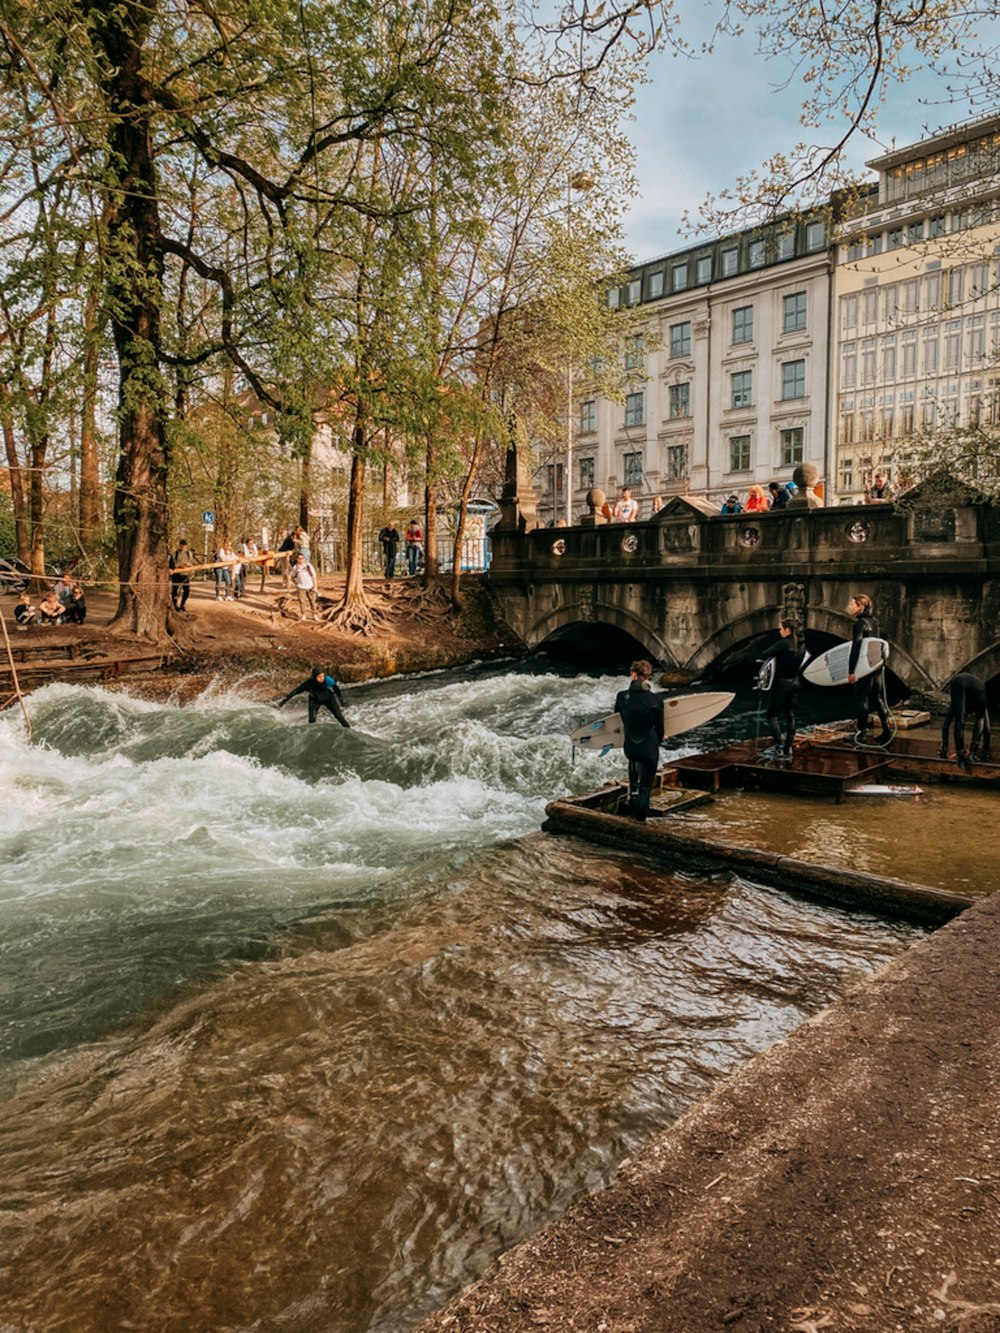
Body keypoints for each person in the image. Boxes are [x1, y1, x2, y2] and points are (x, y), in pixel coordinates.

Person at [614, 658, 665, 821]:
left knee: (634, 761)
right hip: (649, 748)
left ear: (633, 675)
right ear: (648, 678)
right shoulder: (657, 700)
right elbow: (660, 730)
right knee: (646, 787)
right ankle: (639, 820)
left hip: (630, 748)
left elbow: (617, 716)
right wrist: (660, 740)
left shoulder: (622, 697)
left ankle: (632, 794)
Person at [758, 618, 806, 760]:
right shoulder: (802, 644)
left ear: (788, 630)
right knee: (790, 715)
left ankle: (778, 747)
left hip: (782, 684)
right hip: (795, 683)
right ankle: (788, 747)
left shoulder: (783, 644)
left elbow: (765, 654)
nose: (780, 631)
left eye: (781, 628)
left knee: (772, 715)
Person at [847, 593, 891, 744]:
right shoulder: (876, 622)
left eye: (852, 604)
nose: (849, 607)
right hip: (876, 665)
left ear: (860, 607)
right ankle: (887, 730)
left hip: (864, 666)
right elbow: (884, 642)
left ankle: (861, 734)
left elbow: (856, 648)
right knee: (877, 698)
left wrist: (851, 671)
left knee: (862, 698)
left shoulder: (860, 624)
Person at [939, 672, 991, 769]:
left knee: (959, 719)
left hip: (955, 681)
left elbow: (946, 725)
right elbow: (984, 727)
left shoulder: (977, 698)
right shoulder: (981, 696)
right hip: (962, 683)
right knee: (961, 720)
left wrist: (944, 748)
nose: (970, 715)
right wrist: (973, 752)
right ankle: (963, 756)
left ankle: (957, 753)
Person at [277, 667, 350, 727]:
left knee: (339, 717)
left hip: (328, 698)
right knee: (311, 721)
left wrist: (341, 700)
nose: (321, 678)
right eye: (319, 677)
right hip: (314, 700)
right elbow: (296, 691)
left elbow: (336, 689)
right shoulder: (309, 683)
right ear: (314, 677)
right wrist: (284, 700)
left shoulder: (328, 680)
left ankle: (348, 729)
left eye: (322, 676)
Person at [290, 551, 320, 619]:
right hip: (301, 587)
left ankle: (314, 615)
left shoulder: (308, 566)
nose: (300, 560)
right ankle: (303, 615)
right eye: (299, 558)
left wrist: (315, 586)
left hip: (310, 587)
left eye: (302, 558)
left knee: (312, 601)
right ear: (297, 559)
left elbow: (314, 576)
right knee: (302, 601)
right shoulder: (295, 567)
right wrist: (296, 584)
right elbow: (292, 577)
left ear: (304, 559)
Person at [171, 539, 194, 612]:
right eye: (181, 546)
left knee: (187, 591)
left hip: (185, 575)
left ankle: (182, 605)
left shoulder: (189, 553)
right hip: (176, 574)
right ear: (179, 545)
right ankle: (175, 605)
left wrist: (189, 565)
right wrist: (180, 566)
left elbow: (191, 563)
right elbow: (172, 564)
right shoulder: (175, 554)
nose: (182, 548)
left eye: (184, 546)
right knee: (175, 590)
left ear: (186, 546)